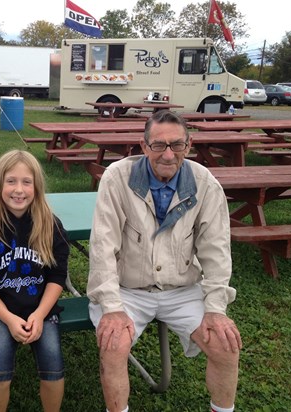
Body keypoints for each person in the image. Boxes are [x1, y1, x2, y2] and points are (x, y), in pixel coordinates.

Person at [87, 110, 243, 412]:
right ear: (144, 147)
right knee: (113, 345)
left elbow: (216, 251)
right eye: (158, 145)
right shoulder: (117, 177)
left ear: (189, 145)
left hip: (182, 289)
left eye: (177, 145)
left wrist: (215, 308)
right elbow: (102, 247)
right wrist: (111, 307)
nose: (168, 154)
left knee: (225, 346)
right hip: (128, 289)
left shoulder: (205, 183)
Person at [0, 150, 70, 412]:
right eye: (10, 181)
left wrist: (40, 314)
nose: (19, 189)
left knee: (53, 368)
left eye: (27, 182)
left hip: (41, 310)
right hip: (0, 311)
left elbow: (58, 277)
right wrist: (8, 318)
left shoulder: (50, 224)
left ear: (37, 186)